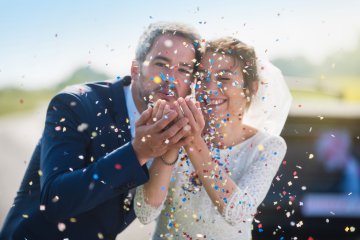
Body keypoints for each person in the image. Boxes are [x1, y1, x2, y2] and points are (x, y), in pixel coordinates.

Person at [0, 22, 202, 240]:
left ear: (191, 83)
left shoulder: (180, 126)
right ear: (136, 69)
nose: (171, 78)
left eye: (183, 69)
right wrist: (138, 152)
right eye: (161, 63)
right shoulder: (75, 103)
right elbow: (55, 200)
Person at [134, 37, 292, 239]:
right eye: (202, 78)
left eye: (224, 78)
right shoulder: (173, 131)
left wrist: (192, 142)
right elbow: (145, 212)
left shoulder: (269, 146)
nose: (209, 89)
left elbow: (237, 212)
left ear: (252, 87)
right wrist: (175, 141)